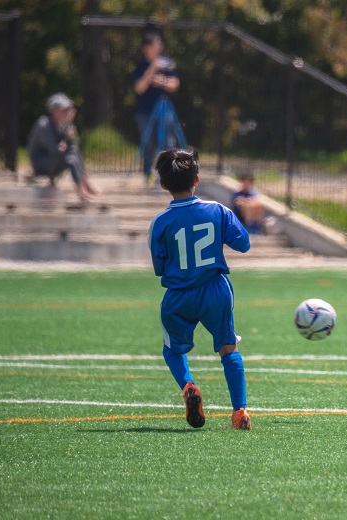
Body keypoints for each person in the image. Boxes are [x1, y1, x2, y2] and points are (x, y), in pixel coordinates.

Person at [148, 148, 252, 430]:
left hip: (178, 294)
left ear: (163, 184)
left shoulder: (159, 222)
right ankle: (239, 411)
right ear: (197, 179)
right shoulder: (218, 211)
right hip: (214, 290)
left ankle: (189, 386)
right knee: (229, 348)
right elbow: (243, 244)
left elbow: (159, 267)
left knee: (172, 350)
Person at [27, 93, 101, 202]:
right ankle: (82, 191)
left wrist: (68, 131)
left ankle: (85, 184)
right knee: (71, 158)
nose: (67, 112)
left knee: (74, 151)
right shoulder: (44, 125)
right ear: (54, 110)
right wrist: (65, 140)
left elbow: (70, 146)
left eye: (68, 109)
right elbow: (53, 149)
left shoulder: (61, 124)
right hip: (42, 164)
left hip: (53, 160)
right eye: (64, 110)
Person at [133, 26, 180, 183]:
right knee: (147, 143)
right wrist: (153, 68)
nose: (159, 47)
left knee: (168, 142)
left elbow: (175, 84)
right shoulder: (141, 66)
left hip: (164, 109)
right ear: (146, 48)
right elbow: (139, 87)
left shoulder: (167, 63)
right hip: (145, 111)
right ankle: (147, 173)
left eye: (160, 43)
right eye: (156, 44)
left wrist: (163, 82)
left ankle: (168, 173)